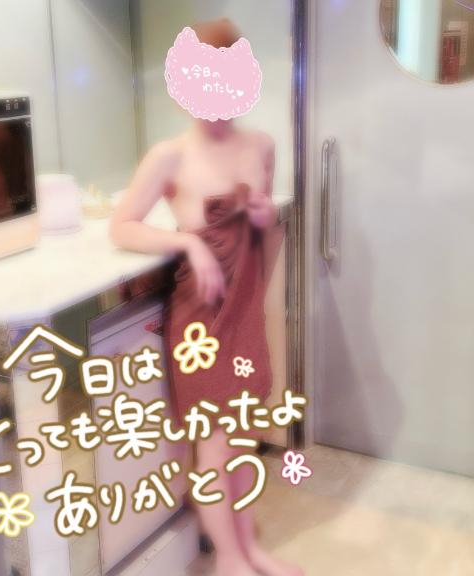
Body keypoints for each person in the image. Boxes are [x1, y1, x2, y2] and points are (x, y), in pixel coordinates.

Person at [110, 18, 303, 576]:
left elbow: (261, 226)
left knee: (243, 435)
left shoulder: (261, 146)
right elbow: (122, 225)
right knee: (216, 444)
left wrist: (262, 216)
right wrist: (187, 244)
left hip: (245, 312)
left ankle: (248, 545)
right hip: (201, 321)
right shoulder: (169, 155)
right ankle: (230, 557)